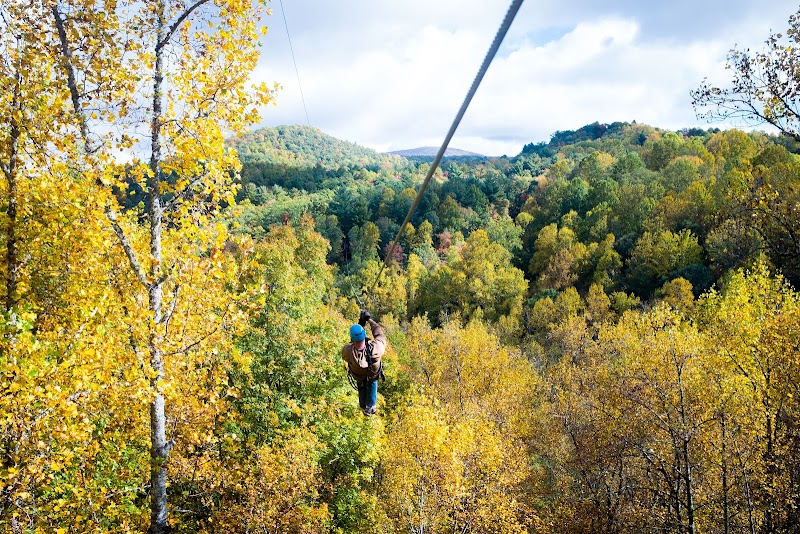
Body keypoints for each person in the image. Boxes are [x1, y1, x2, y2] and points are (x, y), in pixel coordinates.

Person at [341, 309, 386, 416]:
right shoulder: (375, 348)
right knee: (372, 380)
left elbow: (351, 343)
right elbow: (380, 335)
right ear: (364, 335)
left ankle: (363, 405)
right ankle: (371, 405)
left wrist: (361, 323)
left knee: (362, 384)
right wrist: (369, 320)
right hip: (372, 373)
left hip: (358, 375)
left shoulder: (347, 351)